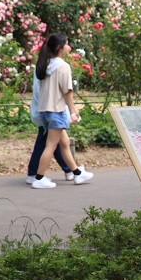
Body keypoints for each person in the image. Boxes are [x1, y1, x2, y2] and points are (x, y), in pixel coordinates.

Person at [32, 33, 93, 189]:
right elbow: (67, 91)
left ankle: (77, 173)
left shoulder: (45, 64)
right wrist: (73, 111)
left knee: (64, 142)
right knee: (51, 146)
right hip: (56, 111)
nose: (69, 47)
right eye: (66, 44)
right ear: (59, 48)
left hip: (45, 111)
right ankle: (38, 178)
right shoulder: (63, 66)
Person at [25, 68, 75, 185]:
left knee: (56, 142)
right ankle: (36, 175)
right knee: (50, 143)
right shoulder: (51, 66)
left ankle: (70, 170)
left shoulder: (44, 65)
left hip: (46, 110)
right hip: (51, 111)